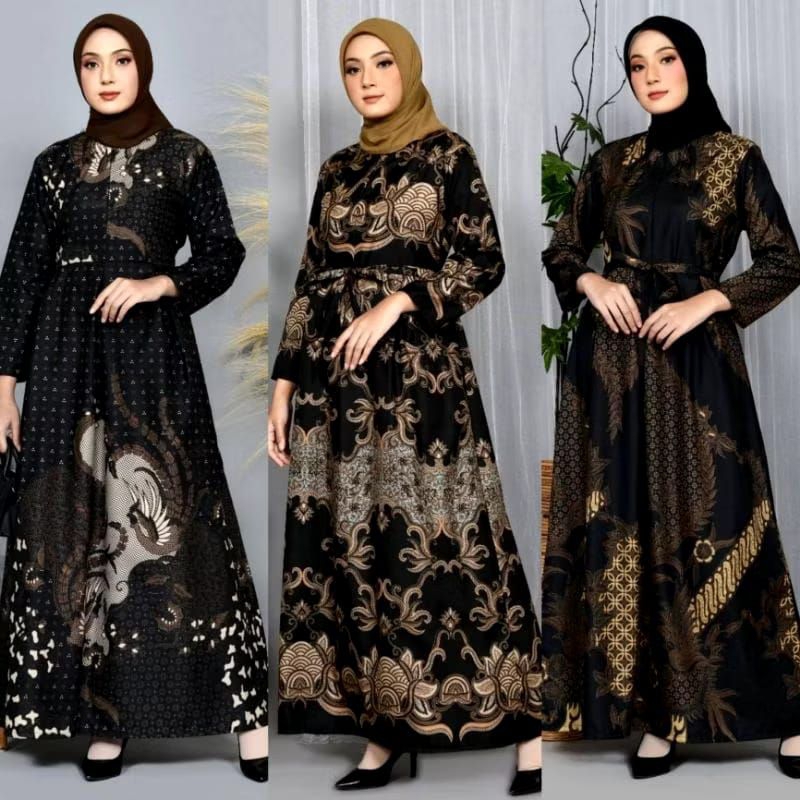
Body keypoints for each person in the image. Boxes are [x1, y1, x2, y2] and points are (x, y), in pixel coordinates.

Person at [268, 16, 542, 796]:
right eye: (352, 68)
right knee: (356, 552)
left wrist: (397, 303)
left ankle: (525, 727)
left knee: (454, 542)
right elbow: (310, 281)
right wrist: (283, 387)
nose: (366, 79)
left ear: (408, 68)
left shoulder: (449, 155)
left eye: (382, 63)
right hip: (334, 389)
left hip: (422, 385)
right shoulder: (336, 169)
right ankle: (385, 731)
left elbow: (484, 260)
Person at [0, 13, 268, 782]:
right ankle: (103, 720)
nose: (107, 75)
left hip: (152, 361)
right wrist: (4, 386)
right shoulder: (56, 167)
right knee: (76, 524)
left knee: (178, 521)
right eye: (91, 63)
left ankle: (246, 715)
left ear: (143, 67)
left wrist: (159, 283)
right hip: (63, 364)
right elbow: (21, 274)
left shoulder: (185, 157)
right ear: (79, 74)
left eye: (121, 60)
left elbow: (221, 252)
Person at [541, 15, 800, 780]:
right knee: (628, 528)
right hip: (613, 369)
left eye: (666, 58)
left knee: (724, 522)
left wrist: (710, 300)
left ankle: (786, 712)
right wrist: (592, 282)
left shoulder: (735, 158)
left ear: (694, 65)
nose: (651, 75)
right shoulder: (612, 162)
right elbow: (562, 248)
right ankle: (658, 716)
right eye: (636, 64)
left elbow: (784, 259)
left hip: (696, 366)